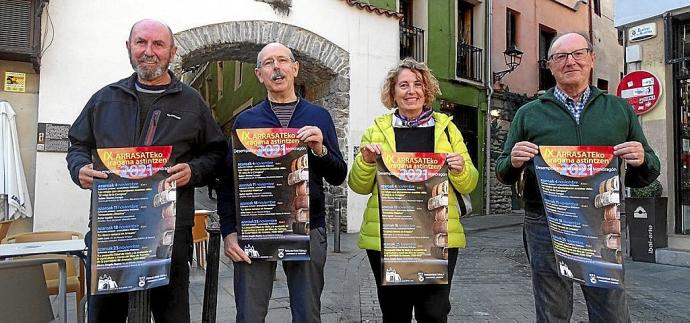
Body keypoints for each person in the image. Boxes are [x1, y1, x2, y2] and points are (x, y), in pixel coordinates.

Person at [66, 19, 227, 322]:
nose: (148, 51)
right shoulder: (105, 98)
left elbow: (217, 152)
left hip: (169, 234)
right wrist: (79, 168)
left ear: (172, 51)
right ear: (129, 47)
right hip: (113, 230)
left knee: (172, 315)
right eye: (141, 42)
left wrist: (194, 170)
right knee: (104, 316)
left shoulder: (192, 103)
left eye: (158, 44)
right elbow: (77, 145)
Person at [496, 32, 660, 323]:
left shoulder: (619, 109)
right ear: (550, 66)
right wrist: (513, 161)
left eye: (578, 54)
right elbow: (503, 171)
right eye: (560, 56)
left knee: (611, 309)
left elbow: (646, 172)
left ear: (591, 59)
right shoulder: (528, 113)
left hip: (602, 221)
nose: (570, 61)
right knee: (552, 311)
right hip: (545, 222)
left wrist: (641, 159)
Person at [218, 42, 347, 323]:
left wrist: (320, 150)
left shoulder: (318, 117)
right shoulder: (246, 121)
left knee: (307, 314)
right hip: (256, 229)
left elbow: (338, 174)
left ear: (295, 68)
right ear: (258, 74)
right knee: (249, 315)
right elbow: (228, 183)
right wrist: (229, 231)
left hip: (307, 228)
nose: (276, 67)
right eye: (268, 63)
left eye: (283, 61)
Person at [348, 58, 479, 322]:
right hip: (390, 236)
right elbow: (358, 186)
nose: (411, 91)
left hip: (437, 235)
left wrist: (459, 168)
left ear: (426, 90)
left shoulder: (447, 129)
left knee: (434, 312)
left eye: (417, 84)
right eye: (403, 85)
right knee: (395, 313)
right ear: (393, 93)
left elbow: (469, 183)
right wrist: (366, 161)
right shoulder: (377, 129)